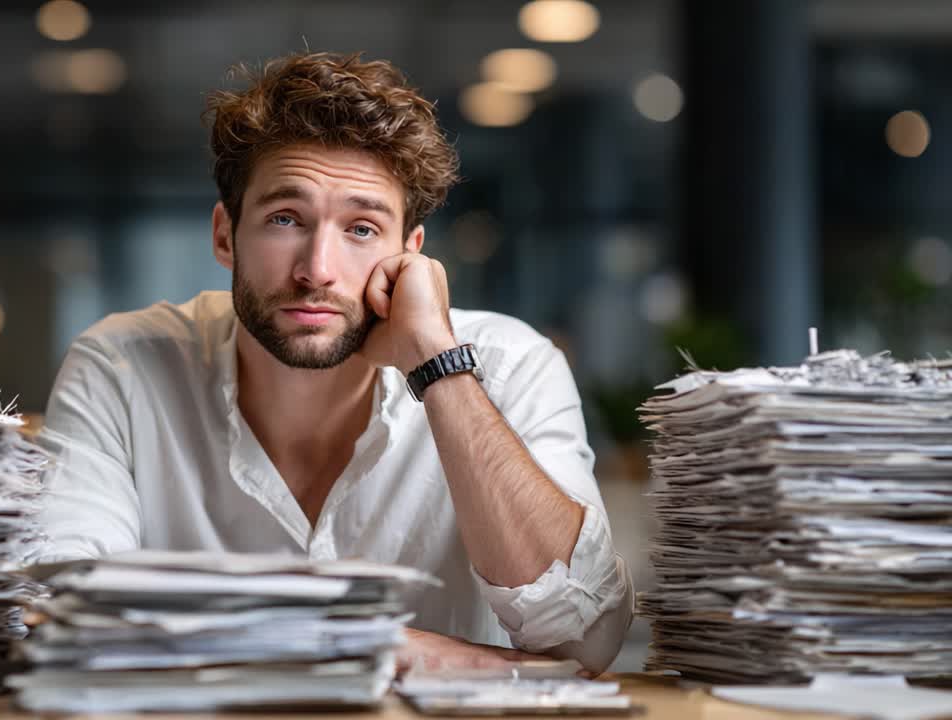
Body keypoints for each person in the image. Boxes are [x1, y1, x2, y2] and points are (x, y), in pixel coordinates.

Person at [39, 51, 633, 673]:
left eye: (361, 229)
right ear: (224, 235)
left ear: (412, 254)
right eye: (285, 218)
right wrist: (380, 647)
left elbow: (584, 637)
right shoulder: (122, 366)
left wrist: (437, 364)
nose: (317, 270)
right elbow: (56, 613)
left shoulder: (513, 367)